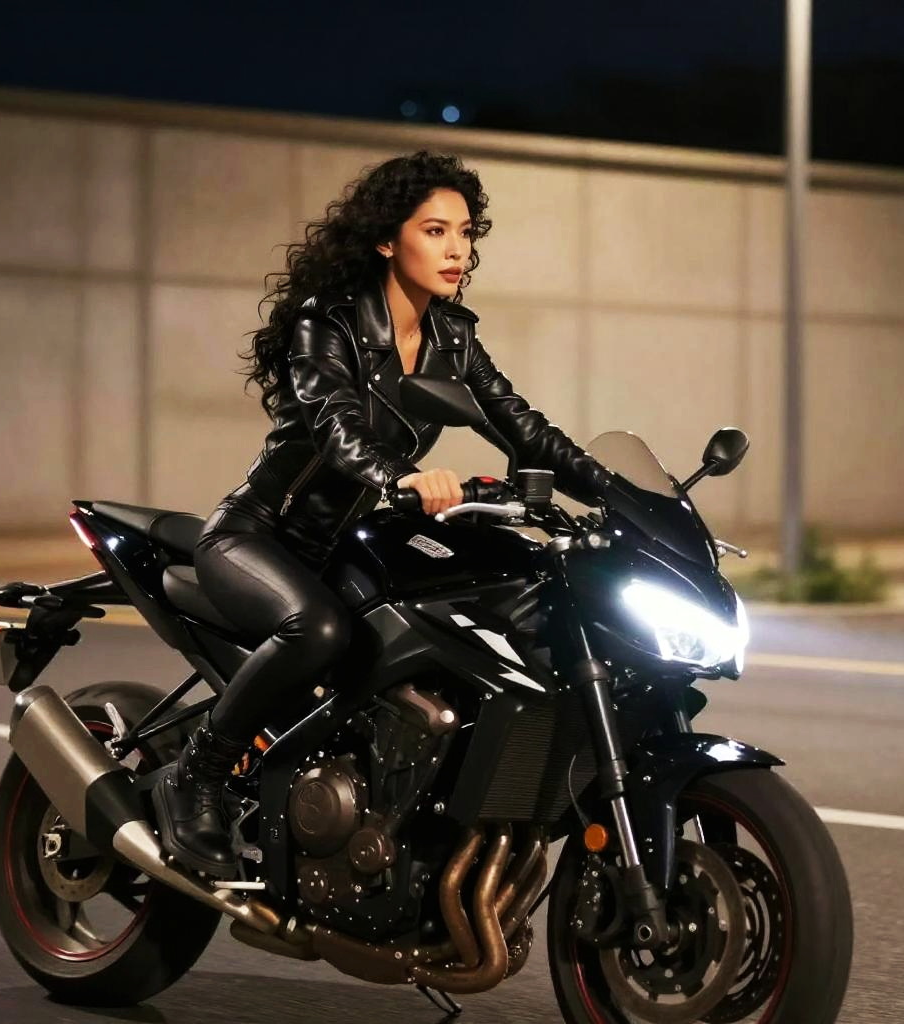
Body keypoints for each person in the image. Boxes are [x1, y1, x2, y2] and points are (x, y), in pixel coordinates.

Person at [152, 151, 610, 875]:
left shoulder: (452, 340)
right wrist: (403, 477)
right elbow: (336, 429)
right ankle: (195, 776)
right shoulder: (324, 323)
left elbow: (527, 430)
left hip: (357, 544)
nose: (457, 249)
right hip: (262, 537)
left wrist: (624, 494)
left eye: (465, 232)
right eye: (435, 230)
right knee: (319, 629)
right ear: (385, 239)